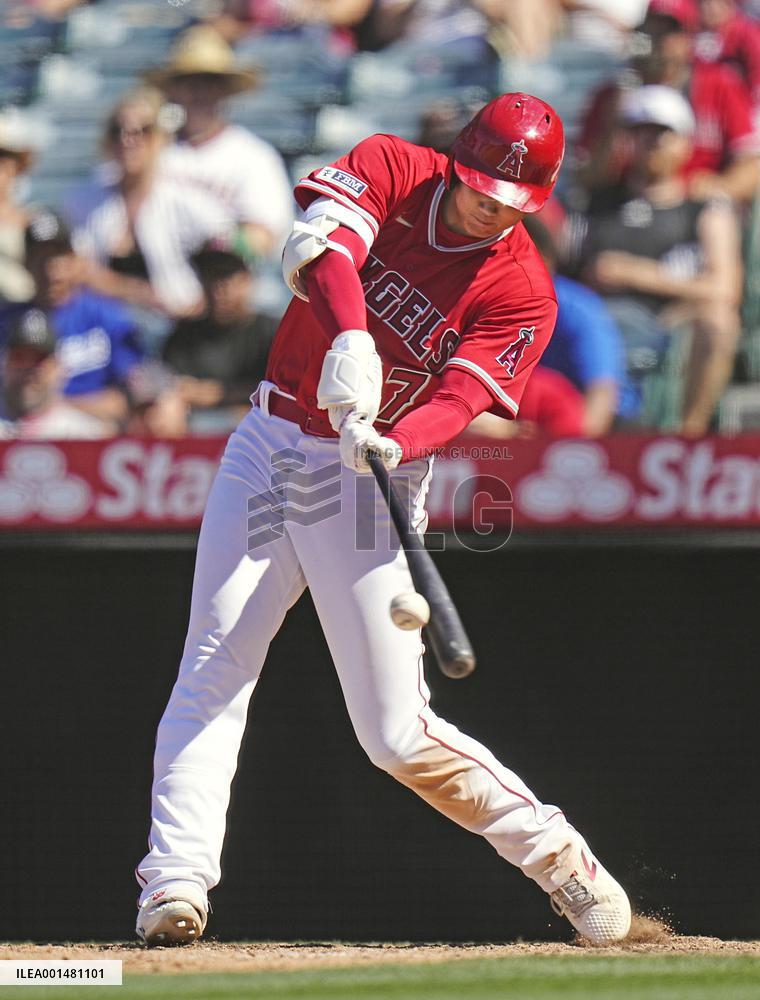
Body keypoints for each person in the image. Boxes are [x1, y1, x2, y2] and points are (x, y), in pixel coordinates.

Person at [134, 93, 632, 948]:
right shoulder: (395, 166)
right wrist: (352, 338)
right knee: (213, 666)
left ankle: (557, 855)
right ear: (457, 160)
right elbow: (318, 247)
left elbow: (465, 397)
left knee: (394, 735)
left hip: (364, 474)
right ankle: (173, 884)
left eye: (510, 201)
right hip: (271, 434)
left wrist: (397, 443)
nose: (489, 206)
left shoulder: (522, 289)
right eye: (480, 186)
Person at [582, 85, 743, 434]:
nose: (651, 143)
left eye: (662, 134)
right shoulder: (599, 204)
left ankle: (689, 433)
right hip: (603, 323)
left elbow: (725, 288)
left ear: (684, 142)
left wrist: (635, 273)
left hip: (673, 323)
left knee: (719, 322)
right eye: (641, 133)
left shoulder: (702, 209)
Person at [66, 87, 235, 318]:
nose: (128, 139)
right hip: (108, 332)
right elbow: (78, 269)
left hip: (179, 328)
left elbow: (229, 252)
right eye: (118, 131)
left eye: (142, 131)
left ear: (160, 137)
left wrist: (203, 302)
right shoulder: (86, 201)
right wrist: (141, 293)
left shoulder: (187, 202)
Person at [576, 0, 760, 204]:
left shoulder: (719, 85)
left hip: (695, 212)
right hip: (622, 209)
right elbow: (585, 179)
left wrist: (718, 187)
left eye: (668, 33)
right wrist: (613, 128)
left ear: (688, 38)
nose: (658, 41)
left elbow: (751, 164)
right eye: (650, 31)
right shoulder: (612, 95)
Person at [145, 25, 293, 262]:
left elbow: (264, 236)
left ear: (225, 90)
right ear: (173, 90)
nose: (200, 92)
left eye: (210, 81)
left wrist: (213, 244)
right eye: (189, 82)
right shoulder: (152, 149)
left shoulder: (254, 156)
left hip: (222, 279)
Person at [0, 211, 147, 431]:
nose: (50, 269)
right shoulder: (8, 320)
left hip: (89, 431)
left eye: (57, 257)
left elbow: (128, 400)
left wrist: (56, 408)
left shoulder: (107, 316)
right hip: (15, 429)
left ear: (74, 260)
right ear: (26, 264)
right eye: (40, 258)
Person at [522, 216, 632, 433]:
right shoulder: (473, 302)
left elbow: (601, 395)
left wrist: (567, 452)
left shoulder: (578, 309)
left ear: (545, 261)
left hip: (579, 433)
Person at [161, 248, 277, 430]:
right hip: (195, 418)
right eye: (210, 279)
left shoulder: (271, 330)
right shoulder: (184, 335)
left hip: (258, 416)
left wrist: (215, 393)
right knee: (167, 410)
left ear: (246, 281)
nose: (217, 290)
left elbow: (279, 390)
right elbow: (177, 386)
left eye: (225, 279)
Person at [0, 308, 110, 439]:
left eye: (39, 360)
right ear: (4, 366)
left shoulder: (86, 436)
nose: (28, 369)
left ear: (59, 368)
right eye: (19, 358)